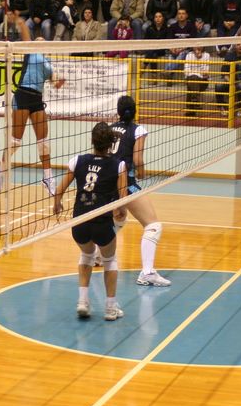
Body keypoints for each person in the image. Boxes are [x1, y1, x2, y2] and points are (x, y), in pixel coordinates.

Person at [52, 122, 128, 321]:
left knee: (87, 255)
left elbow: (58, 191)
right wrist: (121, 212)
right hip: (102, 223)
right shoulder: (119, 165)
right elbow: (123, 198)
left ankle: (83, 302)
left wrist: (57, 204)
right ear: (111, 143)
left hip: (80, 221)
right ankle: (110, 308)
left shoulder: (77, 161)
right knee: (109, 260)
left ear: (92, 140)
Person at [0, 17, 66, 195]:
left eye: (42, 41)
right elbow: (26, 35)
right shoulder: (31, 52)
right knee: (15, 142)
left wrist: (60, 82)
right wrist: (20, 22)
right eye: (37, 40)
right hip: (23, 96)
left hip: (37, 100)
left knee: (44, 143)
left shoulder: (49, 65)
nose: (39, 42)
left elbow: (55, 84)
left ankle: (47, 178)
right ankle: (1, 169)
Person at [110, 96, 170, 287]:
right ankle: (147, 273)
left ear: (118, 111)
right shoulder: (138, 130)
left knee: (119, 218)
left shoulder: (110, 129)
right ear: (135, 110)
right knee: (153, 226)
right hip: (126, 181)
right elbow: (137, 159)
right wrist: (142, 173)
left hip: (108, 180)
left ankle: (97, 255)